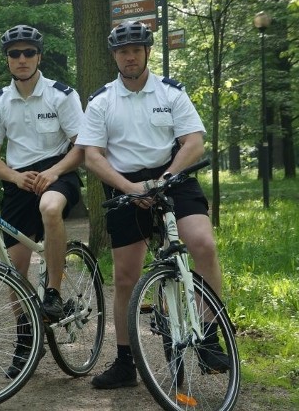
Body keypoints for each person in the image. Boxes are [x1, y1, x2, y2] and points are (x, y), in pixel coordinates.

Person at [75, 20, 230, 389]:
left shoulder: (171, 92)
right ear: (114, 55)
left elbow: (193, 142)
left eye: (135, 50)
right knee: (126, 276)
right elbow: (93, 157)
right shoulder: (101, 100)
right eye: (122, 51)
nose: (129, 57)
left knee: (202, 244)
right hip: (124, 182)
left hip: (173, 176)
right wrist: (130, 188)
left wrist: (163, 180)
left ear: (147, 52)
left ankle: (209, 335)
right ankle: (125, 362)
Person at [0, 24, 85, 378]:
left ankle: (52, 293)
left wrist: (53, 173)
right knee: (15, 272)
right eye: (14, 54)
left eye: (28, 53)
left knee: (50, 208)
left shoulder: (62, 95)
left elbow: (81, 146)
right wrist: (14, 176)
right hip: (19, 181)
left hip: (59, 174)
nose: (21, 59)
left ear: (39, 56)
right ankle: (27, 342)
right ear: (7, 60)